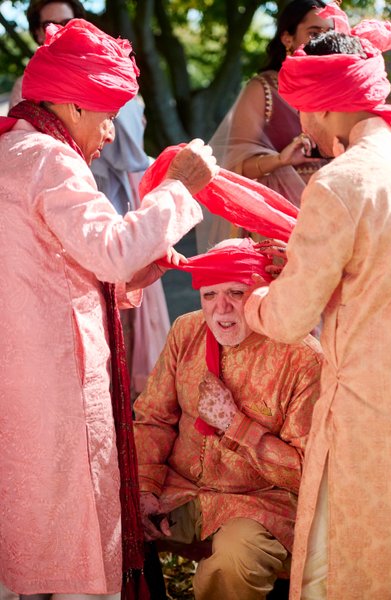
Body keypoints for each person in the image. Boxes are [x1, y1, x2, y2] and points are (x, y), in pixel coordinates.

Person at [0, 18, 218, 600]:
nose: (108, 133)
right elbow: (111, 252)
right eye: (105, 116)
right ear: (72, 104)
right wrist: (182, 188)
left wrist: (140, 269)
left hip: (26, 381)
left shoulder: (13, 151)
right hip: (55, 386)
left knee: (35, 545)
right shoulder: (49, 158)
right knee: (73, 556)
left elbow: (60, 269)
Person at [243, 6, 391, 599]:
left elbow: (286, 319)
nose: (301, 120)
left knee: (336, 570)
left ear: (330, 102)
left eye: (303, 103)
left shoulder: (339, 181)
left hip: (365, 410)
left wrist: (258, 297)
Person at [133, 237, 323, 600]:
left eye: (236, 293)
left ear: (263, 293)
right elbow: (153, 418)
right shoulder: (186, 331)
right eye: (209, 295)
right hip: (182, 488)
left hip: (259, 503)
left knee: (234, 562)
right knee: (111, 519)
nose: (221, 310)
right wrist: (145, 487)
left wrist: (236, 425)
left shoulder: (302, 358)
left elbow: (307, 474)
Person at [196, 0, 332, 253]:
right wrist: (280, 160)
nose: (322, 42)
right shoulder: (263, 89)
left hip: (335, 212)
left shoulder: (338, 90)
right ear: (287, 38)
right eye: (313, 33)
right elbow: (234, 165)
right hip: (281, 222)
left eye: (329, 33)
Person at [91, 96, 171, 398]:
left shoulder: (115, 84)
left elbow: (131, 152)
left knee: (124, 301)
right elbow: (130, 153)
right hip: (107, 192)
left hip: (120, 187)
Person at [9, 0, 86, 108]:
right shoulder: (24, 87)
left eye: (68, 23)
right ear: (38, 33)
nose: (60, 30)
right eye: (49, 25)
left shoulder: (102, 68)